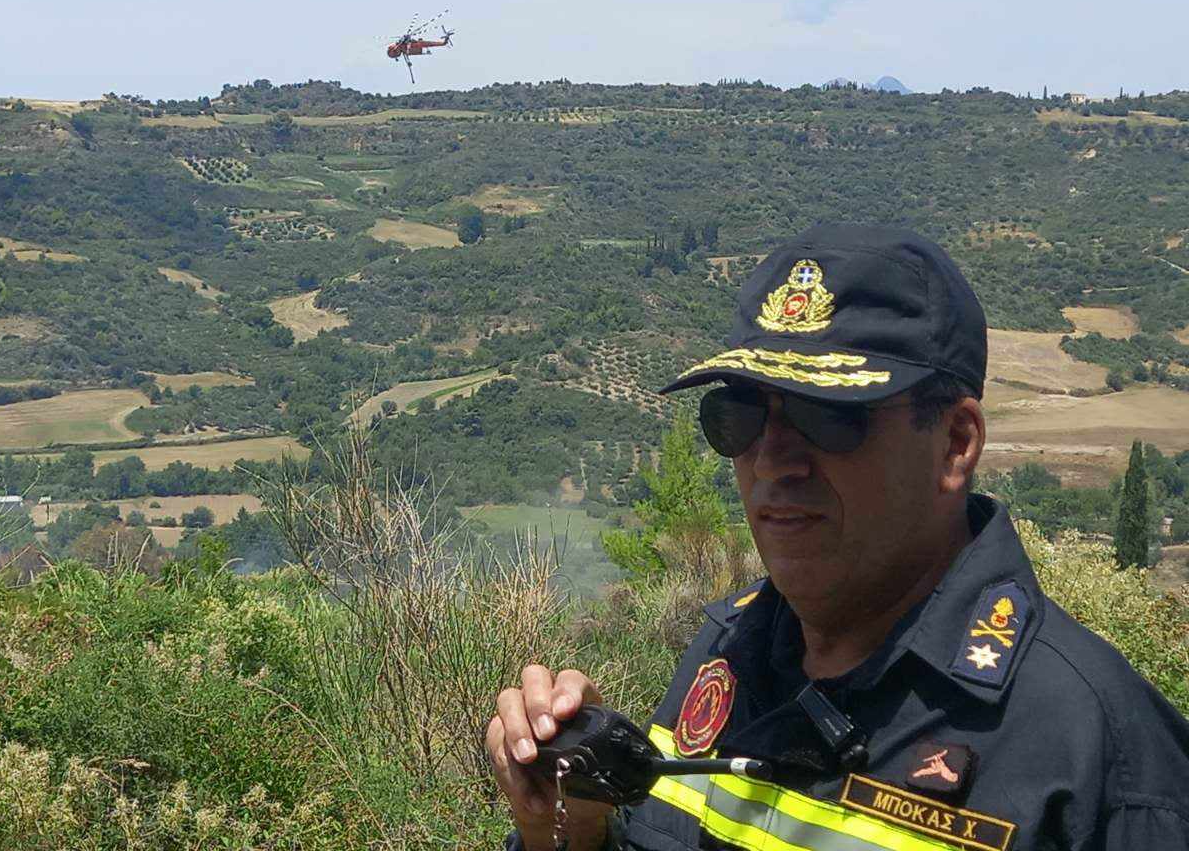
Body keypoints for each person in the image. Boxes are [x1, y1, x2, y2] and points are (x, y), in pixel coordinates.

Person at [488, 223, 1189, 850]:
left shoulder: (1096, 750)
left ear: (955, 443)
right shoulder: (726, 653)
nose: (771, 461)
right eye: (740, 417)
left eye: (829, 416)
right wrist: (569, 829)